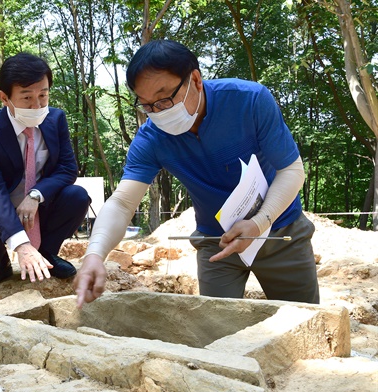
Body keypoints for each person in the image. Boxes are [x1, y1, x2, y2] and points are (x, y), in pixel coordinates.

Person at [74, 39, 319, 307]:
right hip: (217, 243)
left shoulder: (249, 101)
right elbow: (122, 203)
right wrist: (94, 255)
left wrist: (260, 222)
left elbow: (292, 169)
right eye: (146, 105)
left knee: (306, 324)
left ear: (195, 80)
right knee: (215, 331)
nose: (158, 112)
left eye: (165, 98)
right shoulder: (151, 138)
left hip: (280, 232)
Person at [0, 52, 90, 291]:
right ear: (4, 98)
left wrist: (35, 195)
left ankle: (46, 254)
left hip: (43, 201)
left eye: (43, 95)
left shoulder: (56, 119)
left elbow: (67, 168)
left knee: (77, 196)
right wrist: (21, 244)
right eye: (27, 97)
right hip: (3, 201)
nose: (37, 105)